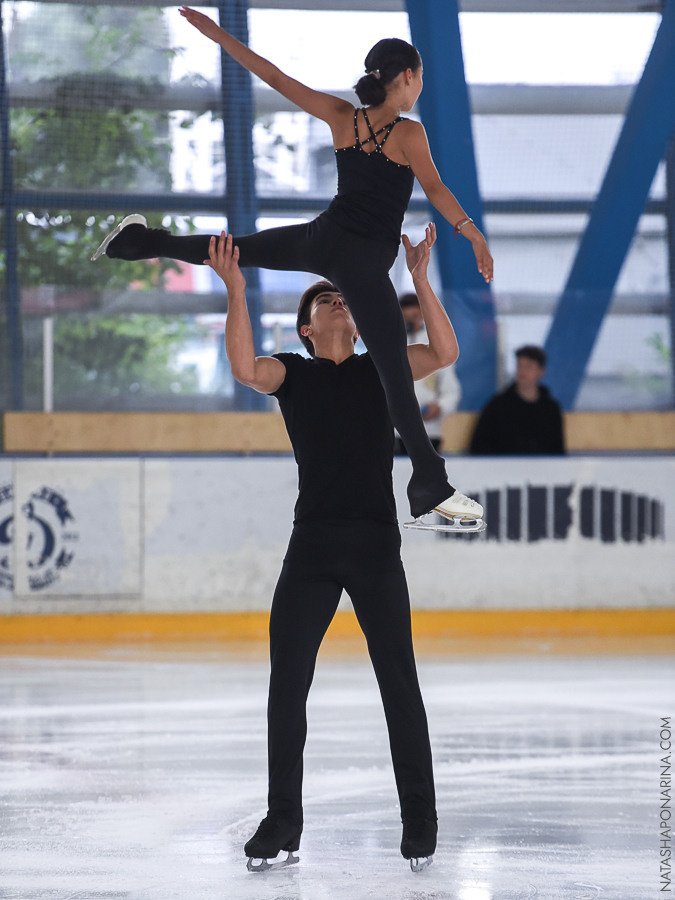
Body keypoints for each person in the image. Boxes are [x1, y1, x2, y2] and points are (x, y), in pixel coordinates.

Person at [91, 6, 491, 530]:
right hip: (364, 262)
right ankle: (429, 483)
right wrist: (471, 232)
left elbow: (274, 77)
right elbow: (435, 190)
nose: (419, 88)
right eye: (419, 79)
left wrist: (215, 33)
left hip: (323, 241)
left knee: (236, 248)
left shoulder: (342, 116)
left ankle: (138, 243)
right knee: (394, 375)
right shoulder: (408, 133)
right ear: (409, 76)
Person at [208, 225, 454, 871]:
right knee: (286, 687)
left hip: (375, 548)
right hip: (311, 548)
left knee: (398, 685)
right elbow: (241, 367)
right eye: (322, 299)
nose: (335, 299)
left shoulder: (386, 369)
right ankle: (281, 822)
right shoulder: (292, 374)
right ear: (307, 330)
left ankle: (419, 820)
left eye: (341, 294)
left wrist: (418, 278)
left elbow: (445, 351)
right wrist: (235, 286)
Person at [394, 292, 461, 455]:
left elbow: (452, 391)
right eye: (405, 316)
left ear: (422, 315)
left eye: (414, 315)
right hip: (394, 433)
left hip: (428, 431)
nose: (410, 321)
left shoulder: (435, 346)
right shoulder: (390, 344)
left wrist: (439, 406)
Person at [469, 345, 565, 455]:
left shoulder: (551, 409)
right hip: (502, 469)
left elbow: (557, 450)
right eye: (520, 365)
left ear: (541, 371)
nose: (522, 371)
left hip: (542, 470)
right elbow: (479, 446)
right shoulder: (498, 406)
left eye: (529, 366)